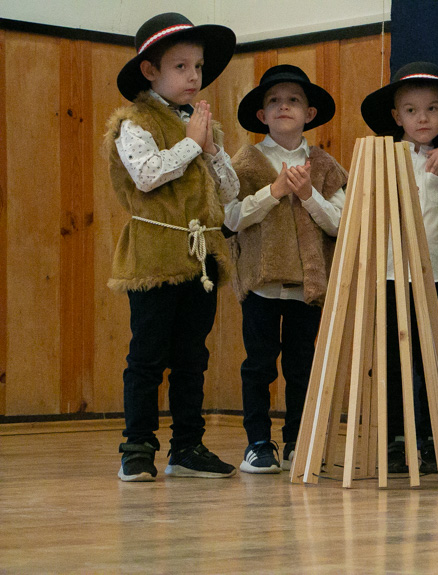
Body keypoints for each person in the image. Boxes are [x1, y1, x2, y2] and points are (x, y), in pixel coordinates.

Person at [104, 12, 238, 481]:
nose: (194, 76)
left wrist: (211, 150)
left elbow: (228, 192)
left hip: (199, 257)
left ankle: (187, 446)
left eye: (198, 67)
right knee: (147, 356)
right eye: (180, 66)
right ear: (150, 71)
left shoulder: (204, 128)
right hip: (153, 256)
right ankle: (138, 447)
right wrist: (190, 144)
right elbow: (147, 175)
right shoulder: (133, 122)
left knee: (192, 357)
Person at [223, 65, 348, 473]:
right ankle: (258, 442)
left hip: (306, 285)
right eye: (273, 101)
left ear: (309, 113)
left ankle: (297, 439)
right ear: (261, 115)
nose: (283, 107)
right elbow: (232, 219)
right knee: (258, 364)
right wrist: (274, 192)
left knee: (301, 366)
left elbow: (342, 224)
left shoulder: (325, 165)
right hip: (261, 282)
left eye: (293, 100)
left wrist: (309, 195)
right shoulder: (245, 162)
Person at [360, 62, 438, 474]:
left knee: (433, 361)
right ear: (397, 118)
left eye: (431, 109)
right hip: (391, 277)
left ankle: (429, 440)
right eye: (411, 110)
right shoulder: (384, 160)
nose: (422, 118)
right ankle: (395, 439)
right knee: (391, 361)